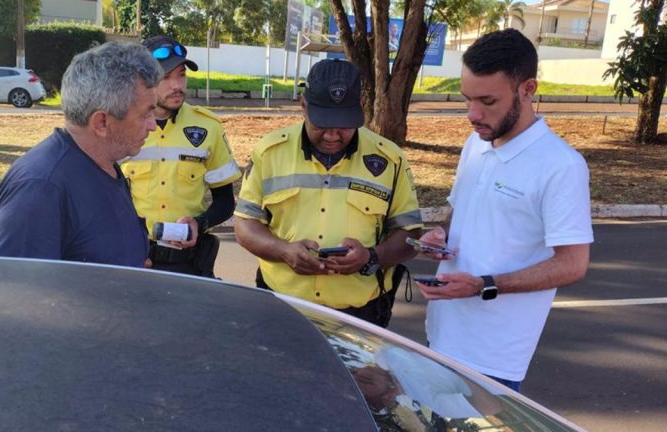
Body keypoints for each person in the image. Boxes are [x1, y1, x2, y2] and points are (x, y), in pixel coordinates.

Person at [414, 29, 594, 392]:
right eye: (467, 99)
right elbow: (460, 210)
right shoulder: (476, 142)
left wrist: (484, 285)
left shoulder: (561, 165)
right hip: (441, 332)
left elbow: (573, 264)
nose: (473, 114)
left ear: (528, 89)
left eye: (487, 101)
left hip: (493, 358)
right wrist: (441, 236)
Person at [234, 59, 423, 328]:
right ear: (303, 105)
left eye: (343, 125)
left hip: (360, 315)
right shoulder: (270, 152)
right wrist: (284, 251)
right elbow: (245, 225)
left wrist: (372, 257)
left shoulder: (389, 159)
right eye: (322, 124)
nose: (332, 136)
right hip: (282, 307)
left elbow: (410, 233)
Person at [0, 41, 162, 267]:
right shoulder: (40, 189)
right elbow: (17, 286)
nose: (153, 126)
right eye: (145, 115)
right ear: (102, 122)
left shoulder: (104, 164)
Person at [120, 35, 241, 277]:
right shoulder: (121, 125)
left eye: (181, 75)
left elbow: (225, 201)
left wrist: (199, 224)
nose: (177, 85)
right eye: (165, 77)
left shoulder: (208, 127)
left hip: (188, 264)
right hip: (132, 259)